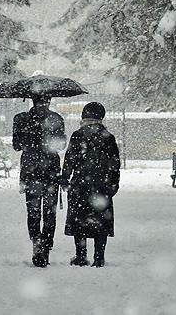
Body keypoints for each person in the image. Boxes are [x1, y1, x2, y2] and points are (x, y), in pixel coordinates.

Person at [60, 102, 120, 268]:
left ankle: (81, 256)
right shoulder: (108, 137)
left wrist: (65, 179)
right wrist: (114, 185)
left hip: (80, 185)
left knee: (80, 222)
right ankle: (99, 257)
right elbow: (115, 164)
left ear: (84, 117)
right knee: (101, 222)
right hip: (102, 185)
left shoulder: (78, 135)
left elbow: (69, 160)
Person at [13, 95, 66, 267]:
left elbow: (16, 145)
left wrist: (30, 142)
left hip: (30, 170)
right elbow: (61, 145)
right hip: (50, 170)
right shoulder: (56, 118)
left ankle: (37, 243)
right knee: (49, 212)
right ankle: (46, 246)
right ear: (49, 101)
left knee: (33, 211)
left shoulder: (21, 119)